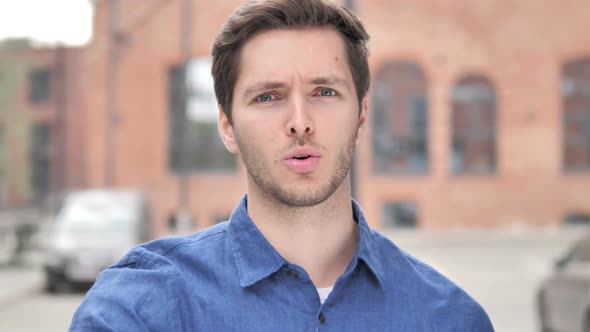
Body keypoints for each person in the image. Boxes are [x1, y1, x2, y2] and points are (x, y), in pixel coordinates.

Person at [70, 0, 494, 331]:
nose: (299, 122)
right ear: (228, 126)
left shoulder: (450, 318)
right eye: (267, 97)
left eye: (324, 92)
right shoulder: (140, 310)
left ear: (362, 117)